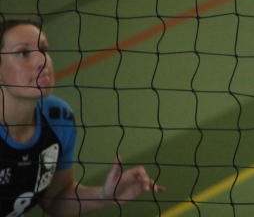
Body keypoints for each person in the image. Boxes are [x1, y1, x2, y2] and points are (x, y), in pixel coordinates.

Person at [0, 19, 162, 215]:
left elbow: (57, 198)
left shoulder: (58, 118)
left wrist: (103, 195)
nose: (41, 60)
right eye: (23, 53)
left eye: (43, 49)